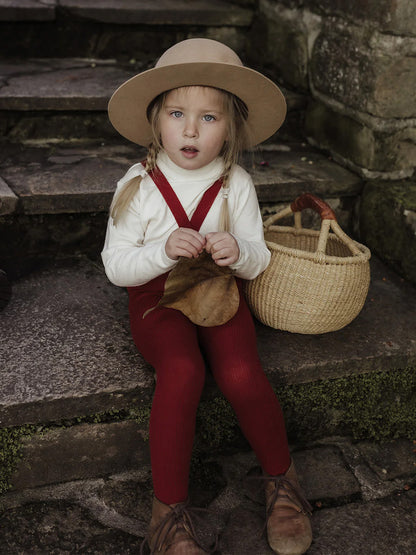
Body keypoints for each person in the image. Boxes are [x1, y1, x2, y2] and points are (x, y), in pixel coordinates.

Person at [102, 38, 312, 555]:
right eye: (177, 113)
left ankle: (282, 479)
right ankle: (167, 511)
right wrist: (160, 250)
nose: (191, 130)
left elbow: (259, 258)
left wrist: (237, 248)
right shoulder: (138, 184)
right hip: (157, 298)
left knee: (240, 371)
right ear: (156, 120)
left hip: (218, 292)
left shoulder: (234, 183)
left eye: (209, 118)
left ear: (231, 128)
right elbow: (116, 266)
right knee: (183, 370)